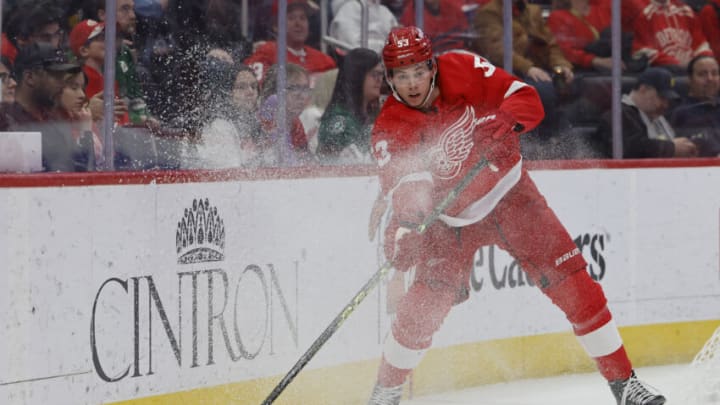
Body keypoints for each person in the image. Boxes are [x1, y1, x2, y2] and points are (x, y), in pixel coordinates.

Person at [366, 26, 666, 405]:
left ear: (433, 66)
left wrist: (506, 121)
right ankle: (386, 391)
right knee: (423, 305)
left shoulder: (462, 66)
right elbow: (408, 184)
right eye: (401, 76)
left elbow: (525, 97)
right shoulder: (391, 125)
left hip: (512, 197)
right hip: (449, 224)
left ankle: (626, 386)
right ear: (390, 79)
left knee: (575, 285)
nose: (411, 84)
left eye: (419, 72)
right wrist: (409, 227)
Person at [470, 0, 574, 146]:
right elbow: (496, 50)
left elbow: (551, 45)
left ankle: (563, 143)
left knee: (574, 85)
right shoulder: (488, 13)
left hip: (538, 71)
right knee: (542, 90)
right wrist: (528, 68)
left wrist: (561, 65)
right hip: (506, 73)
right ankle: (543, 143)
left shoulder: (533, 11)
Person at [0, 42, 92, 172]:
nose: (62, 85)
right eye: (55, 77)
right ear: (30, 77)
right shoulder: (6, 121)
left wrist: (84, 132)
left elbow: (82, 173)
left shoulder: (54, 120)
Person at [595, 67, 698, 158]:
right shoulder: (617, 116)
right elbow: (629, 149)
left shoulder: (658, 117)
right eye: (661, 97)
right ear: (643, 89)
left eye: (668, 101)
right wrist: (671, 148)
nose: (665, 105)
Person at [317, 48, 383, 164]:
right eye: (374, 74)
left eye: (381, 74)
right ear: (356, 77)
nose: (379, 80)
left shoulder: (372, 116)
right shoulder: (338, 118)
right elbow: (327, 166)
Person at [244, 0, 336, 83]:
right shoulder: (266, 53)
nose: (298, 23)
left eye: (303, 18)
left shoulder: (325, 61)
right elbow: (253, 90)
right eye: (291, 18)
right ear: (276, 25)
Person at [625, 0, 712, 72]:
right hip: (666, 71)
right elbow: (641, 50)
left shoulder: (686, 12)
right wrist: (672, 63)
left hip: (693, 69)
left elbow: (701, 44)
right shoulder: (645, 16)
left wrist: (700, 61)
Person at [258, 63, 314, 166]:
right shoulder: (267, 114)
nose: (301, 96)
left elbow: (307, 162)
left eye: (305, 89)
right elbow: (285, 163)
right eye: (294, 88)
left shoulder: (296, 123)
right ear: (275, 91)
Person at [670, 55, 720, 157]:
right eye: (702, 74)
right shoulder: (680, 113)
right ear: (689, 80)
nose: (710, 78)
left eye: (714, 73)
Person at [53, 69, 105, 169]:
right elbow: (84, 166)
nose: (82, 95)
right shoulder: (48, 124)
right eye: (74, 88)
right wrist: (85, 130)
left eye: (82, 89)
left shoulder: (84, 118)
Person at [399, 0, 471, 54]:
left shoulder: (452, 8)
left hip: (461, 56)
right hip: (434, 63)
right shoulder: (410, 16)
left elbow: (466, 36)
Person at [329, 0, 399, 54]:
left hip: (389, 61)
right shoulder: (347, 10)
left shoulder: (384, 11)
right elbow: (355, 47)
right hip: (360, 64)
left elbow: (398, 41)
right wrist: (385, 46)